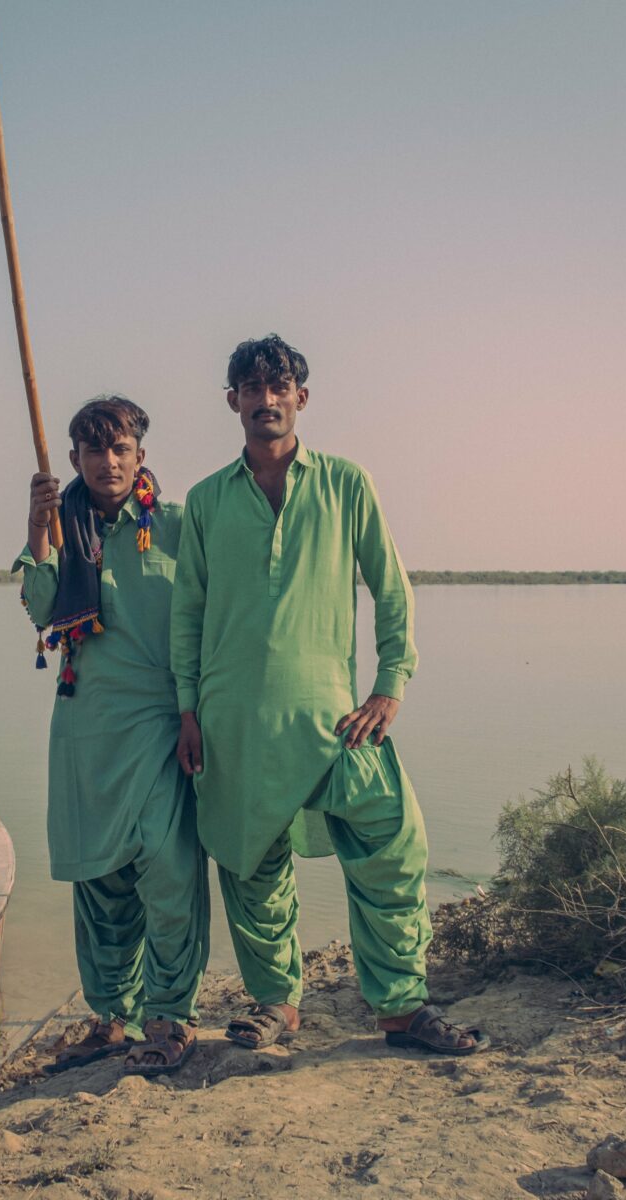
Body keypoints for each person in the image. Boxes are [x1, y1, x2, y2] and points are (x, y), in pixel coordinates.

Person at [170, 336, 486, 1056]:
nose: (265, 399)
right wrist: (188, 710)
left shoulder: (346, 485)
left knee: (393, 846)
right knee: (252, 868)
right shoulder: (208, 502)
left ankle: (402, 1007)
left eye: (278, 387)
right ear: (233, 403)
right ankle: (276, 1004)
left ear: (301, 399)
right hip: (234, 721)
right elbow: (186, 613)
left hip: (336, 719)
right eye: (251, 388)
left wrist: (389, 687)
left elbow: (391, 589)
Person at [15, 395, 209, 1076]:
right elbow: (41, 610)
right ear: (74, 460)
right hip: (86, 728)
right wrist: (39, 529)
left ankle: (170, 1016)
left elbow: (217, 613)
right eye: (94, 450)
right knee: (99, 880)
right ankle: (112, 1018)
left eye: (121, 447)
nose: (108, 461)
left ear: (140, 456)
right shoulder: (63, 528)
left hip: (161, 725)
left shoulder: (181, 526)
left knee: (168, 866)